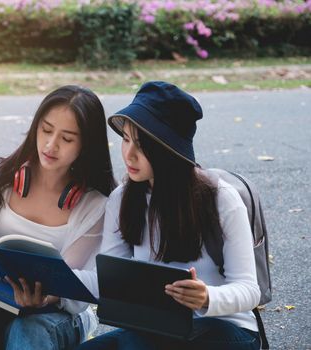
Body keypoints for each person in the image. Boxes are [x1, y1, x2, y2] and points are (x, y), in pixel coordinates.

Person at [0, 85, 117, 350]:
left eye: (67, 138)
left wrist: (44, 298)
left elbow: (73, 286)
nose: (51, 145)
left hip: (54, 313)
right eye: (46, 130)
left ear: (86, 145)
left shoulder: (94, 205)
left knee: (28, 328)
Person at [76, 81, 261, 350]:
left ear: (169, 149)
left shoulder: (220, 198)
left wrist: (206, 297)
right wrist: (49, 281)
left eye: (142, 145)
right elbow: (110, 279)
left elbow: (249, 290)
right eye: (126, 139)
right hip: (154, 328)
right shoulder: (123, 199)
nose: (129, 154)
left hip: (227, 330)